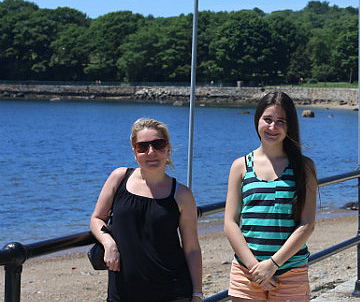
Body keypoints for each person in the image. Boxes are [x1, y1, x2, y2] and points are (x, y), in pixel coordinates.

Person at [90, 118, 203, 302]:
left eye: (158, 145)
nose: (152, 152)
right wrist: (108, 243)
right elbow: (97, 218)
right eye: (143, 147)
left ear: (168, 149)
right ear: (135, 152)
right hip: (123, 291)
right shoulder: (119, 178)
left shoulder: (182, 194)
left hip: (172, 291)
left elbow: (192, 249)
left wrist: (197, 294)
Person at [224, 91, 317, 302]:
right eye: (267, 119)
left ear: (290, 125)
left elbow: (307, 224)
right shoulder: (240, 166)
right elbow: (230, 222)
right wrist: (255, 268)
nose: (272, 127)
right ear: (257, 120)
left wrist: (272, 264)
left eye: (280, 121)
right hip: (246, 272)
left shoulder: (305, 167)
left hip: (290, 271)